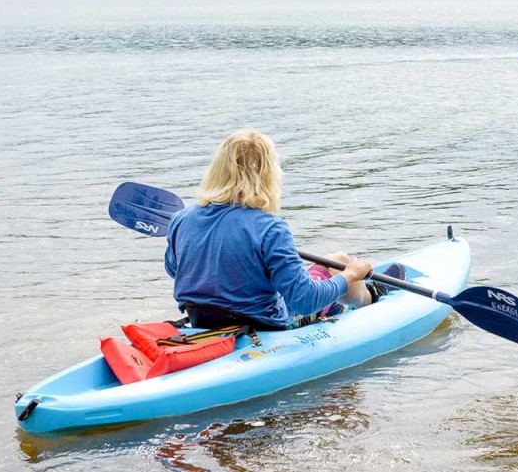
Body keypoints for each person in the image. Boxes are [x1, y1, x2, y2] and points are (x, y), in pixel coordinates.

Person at [165, 129, 389, 330]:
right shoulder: (271, 229)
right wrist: (351, 274)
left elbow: (175, 270)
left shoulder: (181, 219)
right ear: (269, 173)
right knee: (339, 266)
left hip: (200, 319)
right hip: (262, 323)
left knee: (332, 260)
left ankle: (339, 307)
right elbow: (304, 301)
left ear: (217, 170)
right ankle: (370, 297)